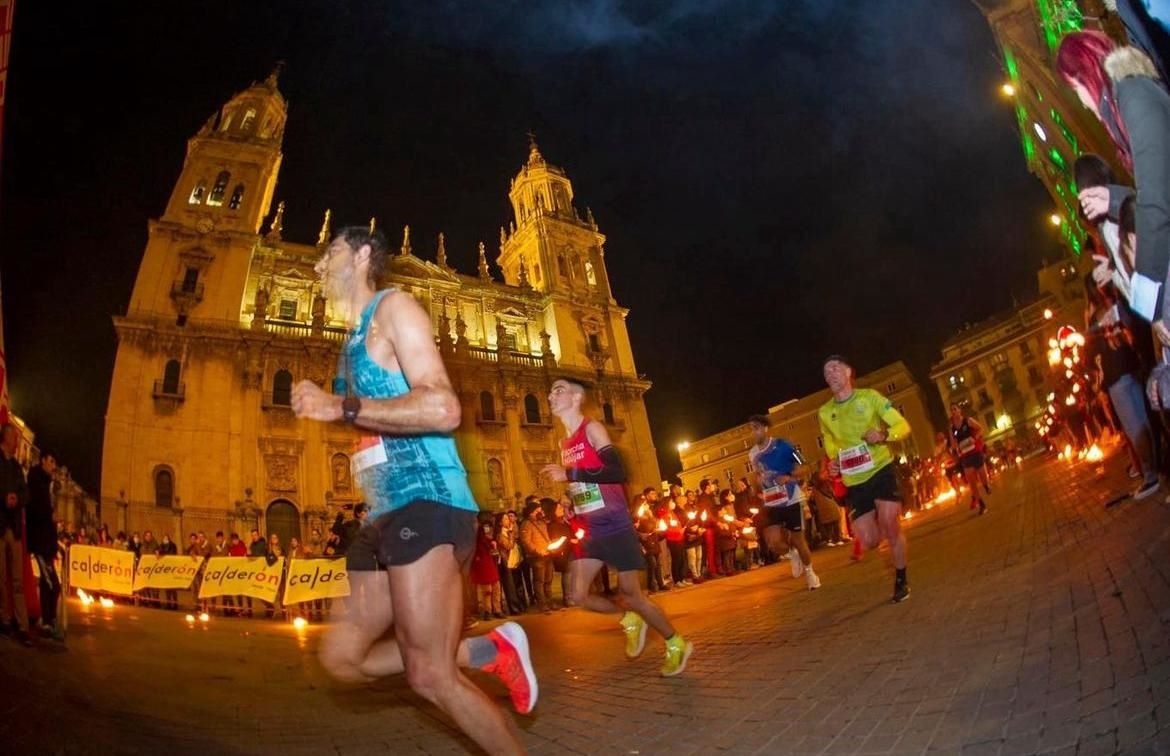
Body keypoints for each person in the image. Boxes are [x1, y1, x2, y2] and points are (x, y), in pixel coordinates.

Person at [291, 226, 536, 748]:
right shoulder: (351, 340)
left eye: (328, 253)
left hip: (427, 499)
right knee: (342, 659)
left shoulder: (394, 309)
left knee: (430, 677)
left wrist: (340, 406)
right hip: (381, 515)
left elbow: (444, 408)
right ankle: (486, 651)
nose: (316, 267)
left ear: (361, 256)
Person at [541, 377, 692, 676]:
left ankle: (676, 643)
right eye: (550, 391)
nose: (550, 395)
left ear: (576, 397)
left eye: (559, 390)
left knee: (632, 593)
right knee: (577, 596)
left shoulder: (592, 429)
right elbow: (585, 480)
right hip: (590, 526)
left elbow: (615, 471)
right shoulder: (564, 442)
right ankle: (628, 619)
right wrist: (572, 497)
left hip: (614, 522)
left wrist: (569, 472)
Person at [1058, 32, 1170, 329]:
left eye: (1076, 88)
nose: (1082, 103)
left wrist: (1149, 302)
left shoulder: (1133, 96)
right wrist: (1114, 198)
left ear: (1087, 73)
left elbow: (1158, 202)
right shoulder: (1130, 98)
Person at [817, 356, 912, 603]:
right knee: (869, 541)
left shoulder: (870, 397)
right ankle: (884, 528)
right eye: (826, 372)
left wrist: (884, 434)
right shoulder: (825, 412)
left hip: (880, 469)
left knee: (891, 524)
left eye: (835, 368)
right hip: (854, 481)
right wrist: (834, 461)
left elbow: (902, 425)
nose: (831, 374)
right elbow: (830, 444)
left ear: (849, 372)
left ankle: (901, 578)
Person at [1085, 272, 1161, 499]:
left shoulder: (1095, 318)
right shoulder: (1119, 302)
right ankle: (1156, 469)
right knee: (1146, 421)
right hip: (1132, 368)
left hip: (1117, 377)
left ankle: (1150, 475)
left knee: (1135, 427)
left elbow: (1091, 356)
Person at [746, 415, 820, 591]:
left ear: (765, 428)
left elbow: (805, 466)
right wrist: (756, 482)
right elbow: (757, 479)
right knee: (774, 544)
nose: (753, 432)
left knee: (798, 539)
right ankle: (791, 552)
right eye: (750, 429)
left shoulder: (783, 445)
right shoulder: (753, 454)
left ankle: (810, 573)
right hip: (771, 501)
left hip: (791, 498)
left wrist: (789, 476)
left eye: (756, 427)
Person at [0, 424, 33, 645]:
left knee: (18, 579)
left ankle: (23, 625)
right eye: (14, 437)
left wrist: (17, 499)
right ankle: (4, 618)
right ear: (5, 439)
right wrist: (4, 498)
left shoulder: (17, 467)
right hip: (0, 526)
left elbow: (26, 494)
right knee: (1, 577)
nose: (17, 443)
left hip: (15, 529)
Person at [26, 451, 62, 640]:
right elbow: (37, 508)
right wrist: (50, 515)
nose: (54, 466)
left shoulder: (48, 484)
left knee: (52, 584)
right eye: (51, 461)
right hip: (40, 541)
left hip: (47, 542)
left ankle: (49, 620)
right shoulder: (35, 479)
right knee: (51, 584)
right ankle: (48, 622)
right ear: (43, 461)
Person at [948, 404, 989, 515]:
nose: (953, 411)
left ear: (959, 411)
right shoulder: (952, 429)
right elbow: (953, 444)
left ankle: (986, 485)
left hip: (975, 452)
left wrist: (974, 438)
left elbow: (980, 428)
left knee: (983, 479)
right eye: (951, 410)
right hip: (965, 456)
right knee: (972, 483)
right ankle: (981, 504)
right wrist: (955, 448)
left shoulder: (968, 421)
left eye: (955, 409)